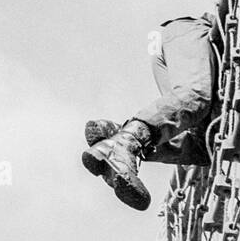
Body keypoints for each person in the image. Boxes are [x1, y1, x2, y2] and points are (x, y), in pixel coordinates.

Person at [82, 13, 222, 212]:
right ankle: (125, 144)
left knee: (204, 146)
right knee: (195, 96)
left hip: (169, 43)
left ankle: (115, 141)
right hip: (188, 34)